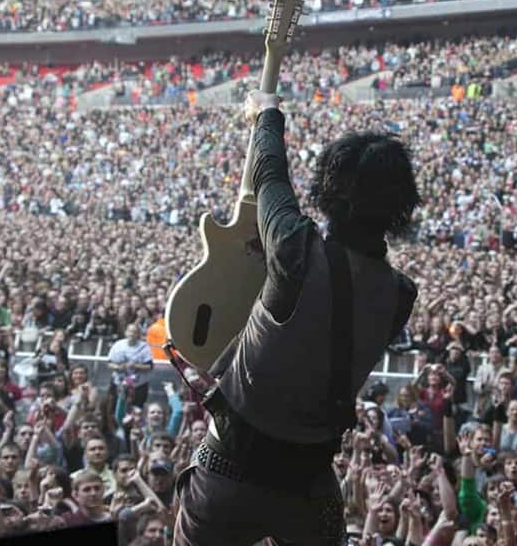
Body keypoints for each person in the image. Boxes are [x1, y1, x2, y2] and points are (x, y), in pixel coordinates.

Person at [174, 89, 419, 545]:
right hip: (309, 485)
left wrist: (266, 113)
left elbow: (269, 173)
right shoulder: (401, 295)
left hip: (229, 469)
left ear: (330, 194)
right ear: (400, 208)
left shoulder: (295, 248)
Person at [107, 323, 153, 408]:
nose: (132, 334)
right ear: (126, 332)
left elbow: (149, 366)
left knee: (136, 409)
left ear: (138, 334)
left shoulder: (144, 347)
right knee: (114, 408)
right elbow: (109, 363)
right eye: (130, 331)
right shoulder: (118, 345)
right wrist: (118, 367)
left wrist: (135, 365)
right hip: (119, 383)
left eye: (135, 332)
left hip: (138, 385)